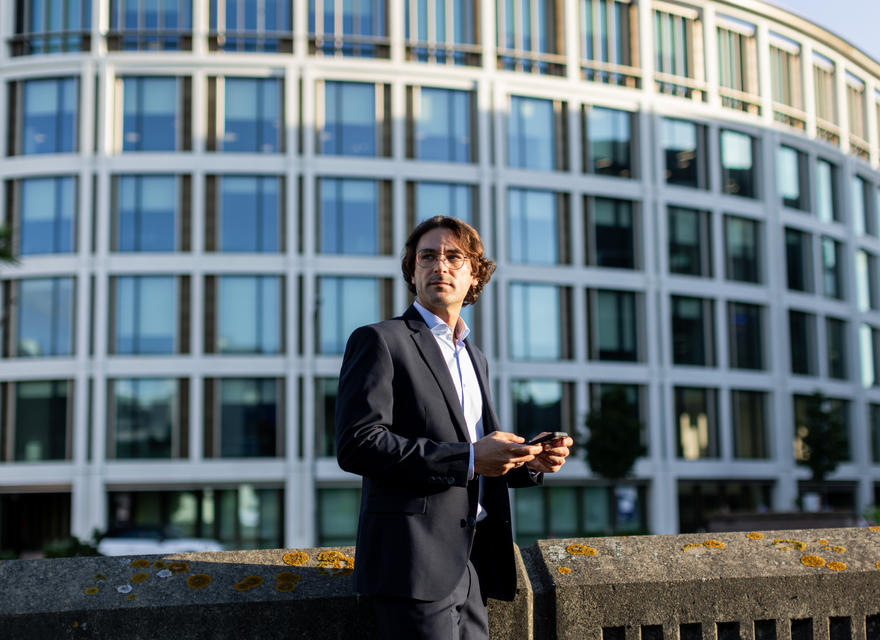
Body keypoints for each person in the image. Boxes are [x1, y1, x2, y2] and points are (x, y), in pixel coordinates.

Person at [335, 216, 573, 639]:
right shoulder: (379, 340)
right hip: (412, 566)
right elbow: (358, 444)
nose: (439, 266)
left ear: (475, 274)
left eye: (453, 257)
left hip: (473, 562)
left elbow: (476, 455)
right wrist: (470, 457)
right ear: (412, 272)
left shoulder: (474, 356)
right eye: (427, 257)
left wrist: (530, 460)